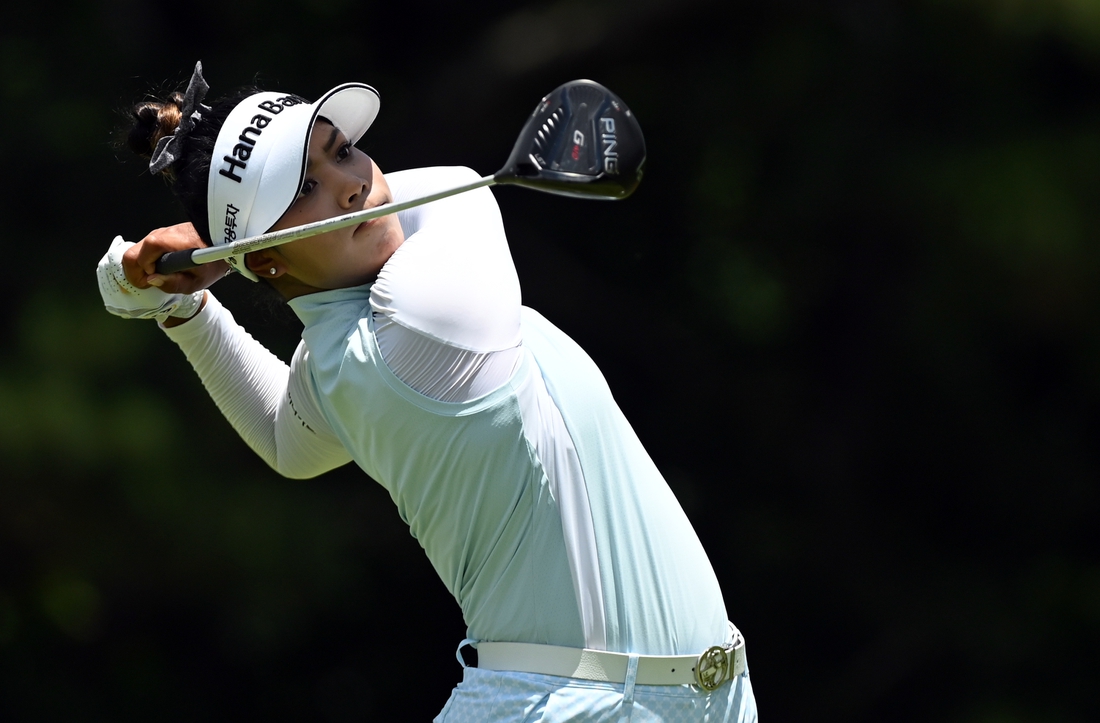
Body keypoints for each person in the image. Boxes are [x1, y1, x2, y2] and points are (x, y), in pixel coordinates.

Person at [97, 62, 758, 723]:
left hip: (675, 699)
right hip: (572, 705)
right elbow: (463, 187)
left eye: (345, 151)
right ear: (267, 258)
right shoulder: (417, 317)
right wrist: (225, 248)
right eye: (306, 187)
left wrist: (186, 308)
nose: (355, 185)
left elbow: (281, 434)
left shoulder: (336, 360)